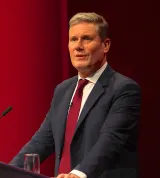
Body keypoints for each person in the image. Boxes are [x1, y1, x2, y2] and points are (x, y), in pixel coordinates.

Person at [10, 12, 141, 178]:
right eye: (73, 39)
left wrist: (78, 174)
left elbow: (110, 140)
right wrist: (6, 172)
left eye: (86, 39)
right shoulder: (63, 90)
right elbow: (41, 141)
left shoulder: (124, 89)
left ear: (105, 45)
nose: (78, 46)